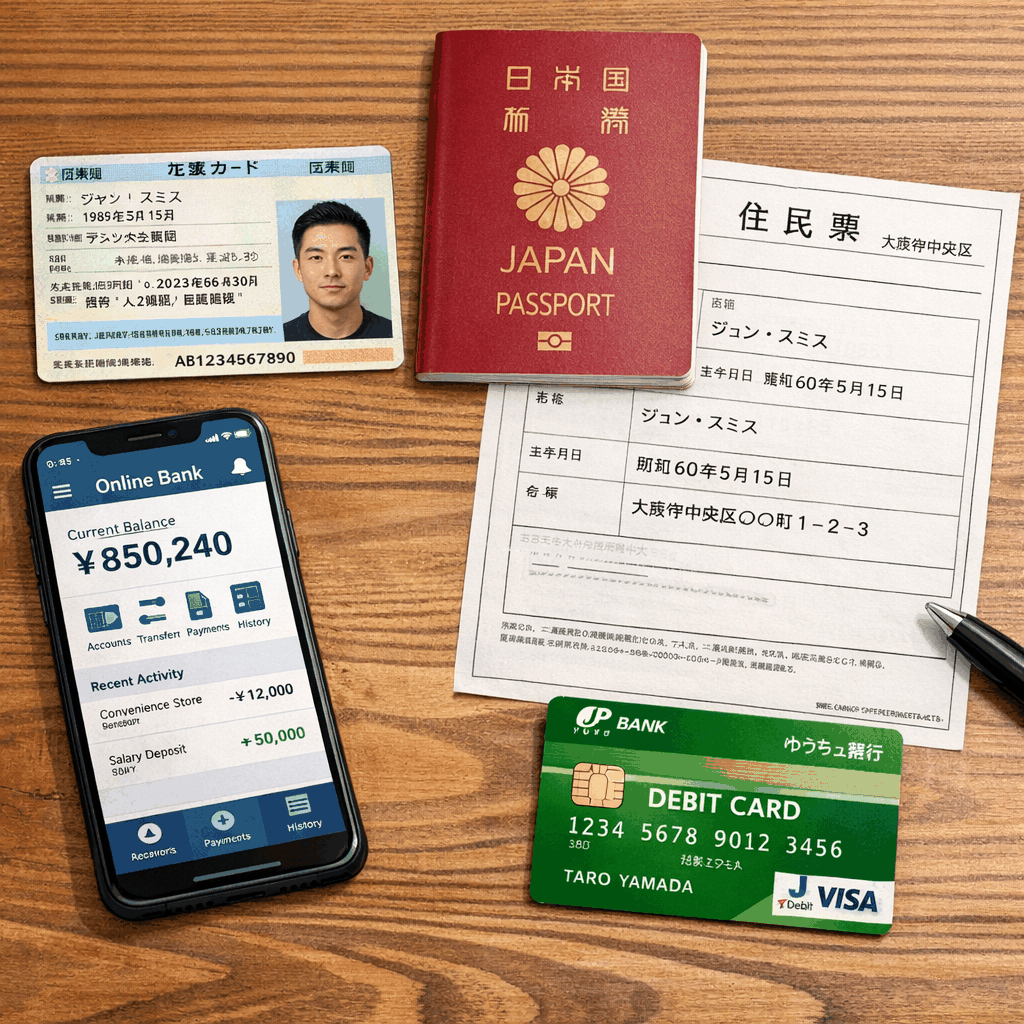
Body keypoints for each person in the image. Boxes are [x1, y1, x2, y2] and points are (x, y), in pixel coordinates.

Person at [283, 201, 393, 341]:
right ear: (298, 269)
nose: (331, 271)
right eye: (316, 257)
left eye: (345, 257)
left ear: (367, 267)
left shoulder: (394, 336)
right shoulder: (278, 340)